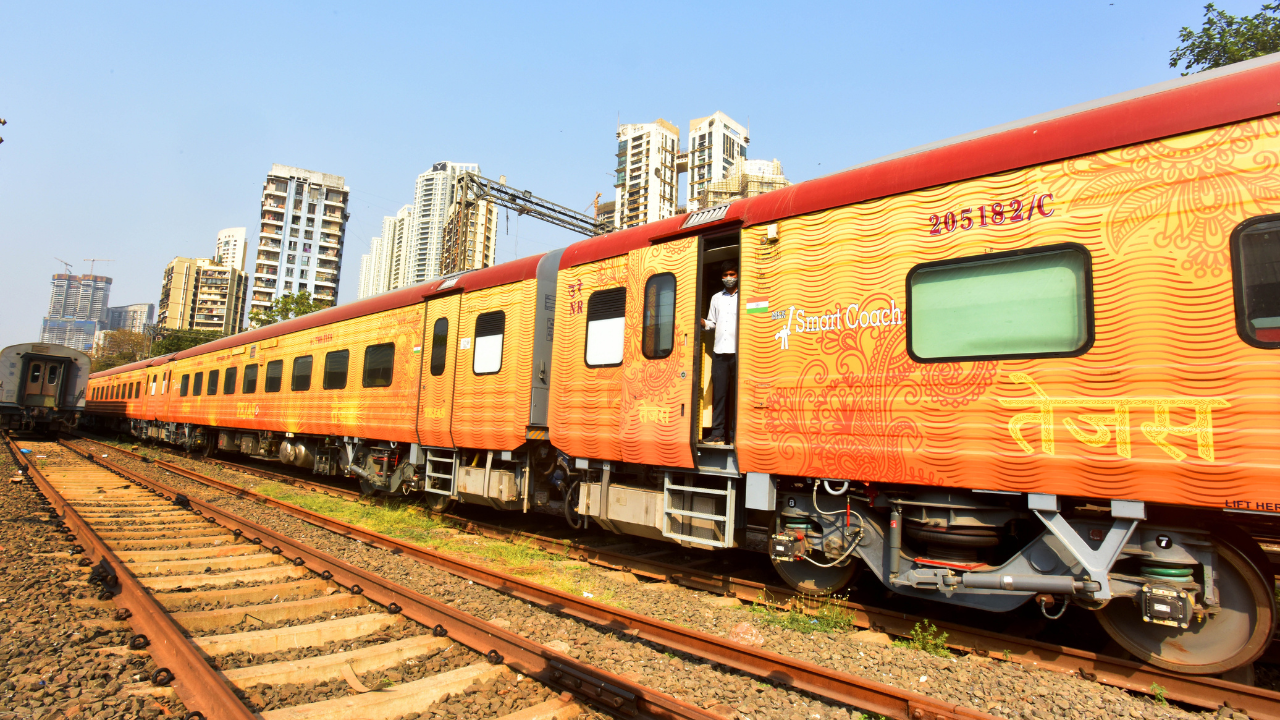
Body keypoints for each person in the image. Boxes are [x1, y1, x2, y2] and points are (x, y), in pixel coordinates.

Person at [701, 261, 738, 445]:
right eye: (725, 275)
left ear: (737, 275)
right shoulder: (716, 298)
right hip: (720, 352)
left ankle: (735, 433)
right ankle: (717, 433)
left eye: (731, 274)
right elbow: (712, 323)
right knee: (720, 394)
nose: (728, 278)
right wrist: (703, 323)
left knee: (738, 394)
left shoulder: (744, 294)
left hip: (740, 352)